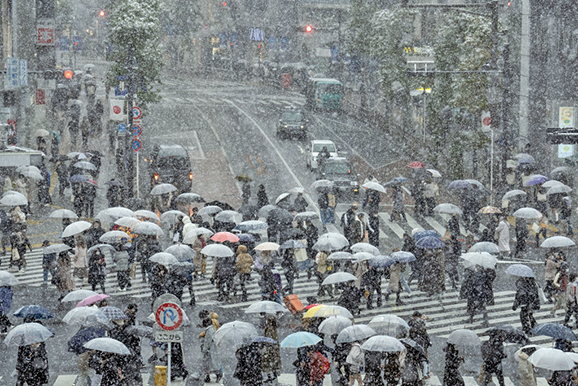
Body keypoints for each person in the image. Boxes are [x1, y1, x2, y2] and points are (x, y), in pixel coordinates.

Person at [200, 316, 223, 383]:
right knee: (209, 364)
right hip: (212, 350)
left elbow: (207, 341)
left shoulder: (208, 330)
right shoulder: (212, 329)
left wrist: (204, 349)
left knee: (209, 364)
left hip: (210, 351)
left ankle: (215, 375)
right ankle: (209, 376)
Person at [262, 315, 282, 381]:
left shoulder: (269, 329)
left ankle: (270, 377)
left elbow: (268, 339)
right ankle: (274, 375)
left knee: (267, 362)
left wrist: (265, 331)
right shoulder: (274, 328)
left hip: (270, 349)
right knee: (273, 362)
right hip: (274, 348)